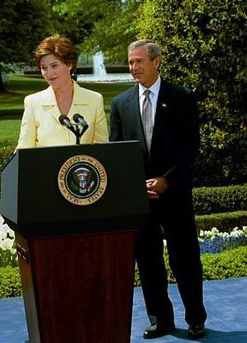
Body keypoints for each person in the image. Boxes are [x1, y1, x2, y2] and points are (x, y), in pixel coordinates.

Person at [109, 39, 207, 339]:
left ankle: (195, 319)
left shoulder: (182, 98)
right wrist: (136, 185)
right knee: (148, 261)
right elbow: (116, 151)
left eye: (139, 61)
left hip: (174, 193)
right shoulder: (120, 103)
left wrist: (167, 180)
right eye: (130, 62)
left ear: (156, 62)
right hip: (140, 198)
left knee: (185, 258)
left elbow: (191, 148)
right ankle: (160, 320)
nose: (133, 67)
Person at [16, 34, 108, 149]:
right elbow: (24, 149)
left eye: (54, 66)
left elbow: (102, 147)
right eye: (44, 68)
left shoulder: (95, 100)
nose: (49, 73)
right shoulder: (33, 102)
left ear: (69, 64)